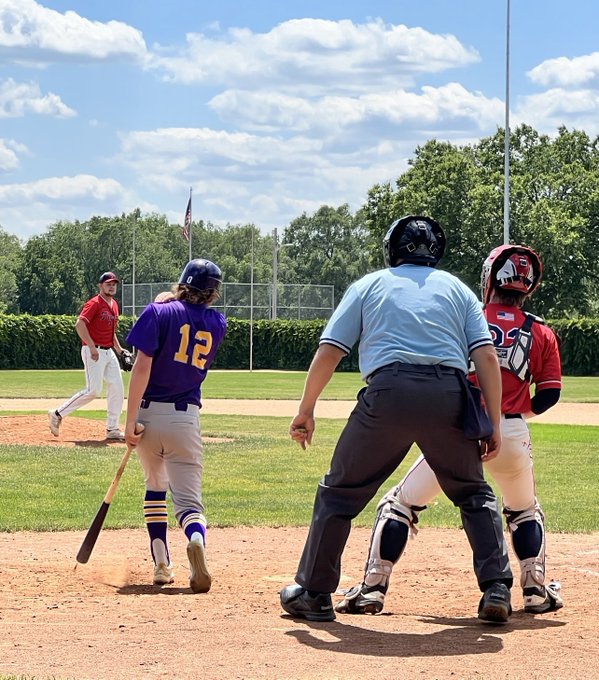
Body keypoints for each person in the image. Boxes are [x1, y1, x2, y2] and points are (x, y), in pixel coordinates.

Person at [280, 215, 513, 624]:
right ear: (434, 252)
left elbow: (331, 350)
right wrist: (492, 421)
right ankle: (496, 589)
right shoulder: (459, 290)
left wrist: (306, 409)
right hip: (448, 395)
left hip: (388, 393)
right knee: (474, 493)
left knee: (339, 493)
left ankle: (315, 593)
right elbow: (486, 357)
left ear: (391, 249)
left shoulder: (369, 285)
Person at [335, 244, 564, 617]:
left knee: (401, 504)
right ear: (531, 285)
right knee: (523, 510)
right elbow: (550, 394)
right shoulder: (541, 331)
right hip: (511, 432)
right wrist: (511, 414)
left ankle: (373, 588)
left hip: (462, 428)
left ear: (490, 277)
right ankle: (535, 590)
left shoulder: (466, 314)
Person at [124, 259, 226, 592]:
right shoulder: (218, 323)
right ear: (213, 293)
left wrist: (129, 422)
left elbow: (141, 367)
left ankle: (161, 566)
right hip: (185, 417)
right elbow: (193, 315)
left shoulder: (157, 312)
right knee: (189, 503)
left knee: (155, 487)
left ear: (182, 283)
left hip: (148, 416)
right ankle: (195, 538)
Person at [48, 271, 128, 441]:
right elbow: (80, 324)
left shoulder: (114, 304)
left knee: (117, 388)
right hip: (94, 352)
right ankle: (57, 414)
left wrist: (121, 351)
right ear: (100, 286)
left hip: (108, 351)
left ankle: (112, 428)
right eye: (108, 283)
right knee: (93, 390)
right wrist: (91, 346)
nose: (112, 286)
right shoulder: (95, 303)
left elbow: (111, 334)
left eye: (114, 283)